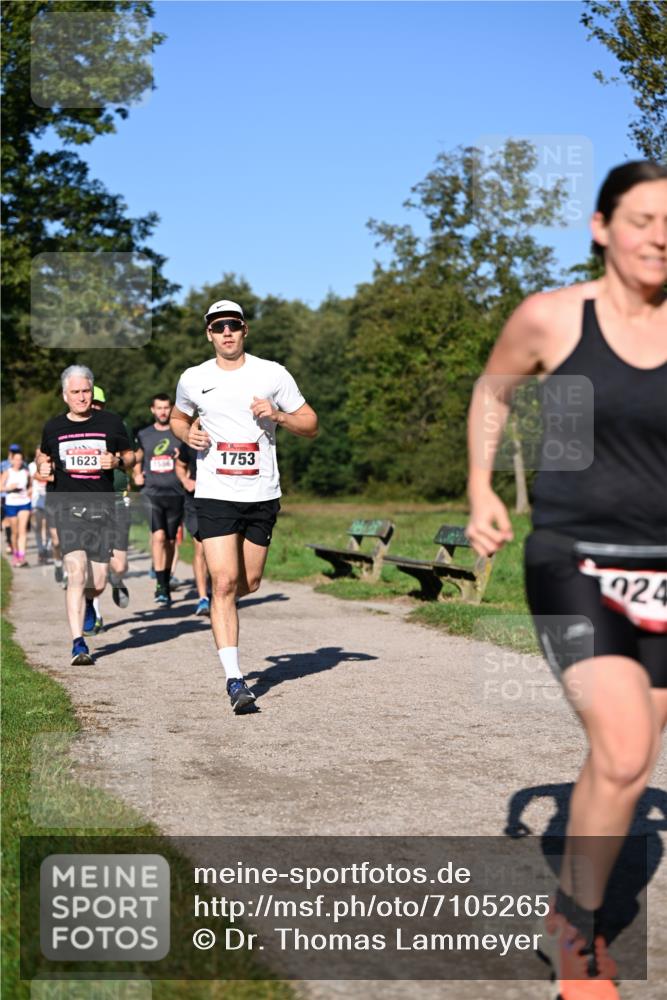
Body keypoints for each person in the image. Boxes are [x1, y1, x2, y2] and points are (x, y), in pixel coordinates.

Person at [466, 161, 667, 1000]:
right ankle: (579, 941)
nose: (658, 236)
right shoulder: (551, 317)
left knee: (619, 763)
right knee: (626, 749)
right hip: (572, 557)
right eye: (641, 219)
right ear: (600, 227)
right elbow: (492, 389)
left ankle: (564, 911)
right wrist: (480, 487)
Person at [170, 299, 318, 713]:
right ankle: (235, 680)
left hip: (261, 493)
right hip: (215, 492)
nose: (227, 333)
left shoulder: (272, 373)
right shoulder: (193, 378)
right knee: (222, 583)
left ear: (245, 330)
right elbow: (179, 419)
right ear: (209, 334)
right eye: (218, 327)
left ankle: (229, 614)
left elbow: (311, 423)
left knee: (247, 583)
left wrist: (280, 416)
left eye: (233, 325)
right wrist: (187, 436)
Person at [39, 365, 135, 665]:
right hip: (68, 509)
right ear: (64, 395)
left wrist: (117, 460)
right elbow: (44, 455)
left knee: (99, 581)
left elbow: (131, 457)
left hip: (103, 510)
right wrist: (42, 466)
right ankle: (78, 643)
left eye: (86, 392)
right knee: (76, 572)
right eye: (75, 392)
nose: (82, 398)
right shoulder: (53, 428)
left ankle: (91, 602)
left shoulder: (110, 422)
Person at [87, 385, 132, 632]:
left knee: (120, 564)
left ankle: (117, 579)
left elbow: (132, 457)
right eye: (89, 402)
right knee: (94, 562)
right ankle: (94, 613)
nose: (92, 406)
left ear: (103, 405)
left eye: (97, 403)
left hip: (117, 497)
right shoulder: (73, 431)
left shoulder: (117, 426)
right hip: (89, 499)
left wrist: (119, 461)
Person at [133, 394, 185, 607]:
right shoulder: (144, 434)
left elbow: (188, 458)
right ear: (152, 410)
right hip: (151, 493)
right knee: (159, 537)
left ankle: (166, 578)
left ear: (171, 409)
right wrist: (136, 473)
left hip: (175, 492)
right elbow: (137, 457)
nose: (163, 411)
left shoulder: (179, 433)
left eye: (166, 408)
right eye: (159, 408)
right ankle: (161, 587)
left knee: (171, 541)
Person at [175, 440, 210, 616]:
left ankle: (221, 590)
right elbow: (180, 465)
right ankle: (203, 598)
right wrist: (185, 480)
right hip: (195, 498)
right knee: (201, 547)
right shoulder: (192, 439)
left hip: (222, 498)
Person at [0, 447, 32, 567]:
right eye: (16, 459)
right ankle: (16, 555)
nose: (18, 462)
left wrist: (30, 490)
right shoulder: (7, 472)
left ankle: (22, 557)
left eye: (20, 459)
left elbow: (31, 485)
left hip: (24, 503)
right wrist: (9, 487)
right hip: (11, 504)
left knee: (22, 530)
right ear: (12, 460)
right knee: (15, 532)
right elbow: (0, 487)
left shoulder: (26, 472)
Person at [29, 446, 50, 563]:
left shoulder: (51, 465)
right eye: (37, 454)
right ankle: (40, 550)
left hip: (48, 500)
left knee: (47, 528)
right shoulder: (32, 466)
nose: (39, 457)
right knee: (37, 528)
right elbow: (33, 477)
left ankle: (46, 548)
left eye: (41, 454)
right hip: (36, 501)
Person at [1, 443, 24, 555]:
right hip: (5, 497)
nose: (14, 453)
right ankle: (10, 543)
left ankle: (15, 545)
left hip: (20, 498)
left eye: (16, 451)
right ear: (9, 452)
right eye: (12, 451)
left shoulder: (22, 464)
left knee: (17, 525)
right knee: (6, 521)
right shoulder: (3, 464)